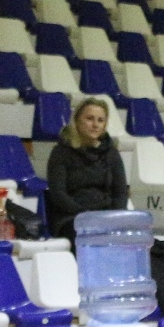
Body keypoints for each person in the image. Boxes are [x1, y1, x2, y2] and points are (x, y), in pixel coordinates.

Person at [45, 97, 127, 242]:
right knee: (92, 237)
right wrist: (86, 215)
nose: (95, 125)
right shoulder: (61, 152)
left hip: (106, 216)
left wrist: (114, 217)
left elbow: (120, 193)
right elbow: (58, 195)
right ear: (77, 120)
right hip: (72, 218)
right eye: (90, 119)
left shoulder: (111, 153)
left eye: (100, 120)